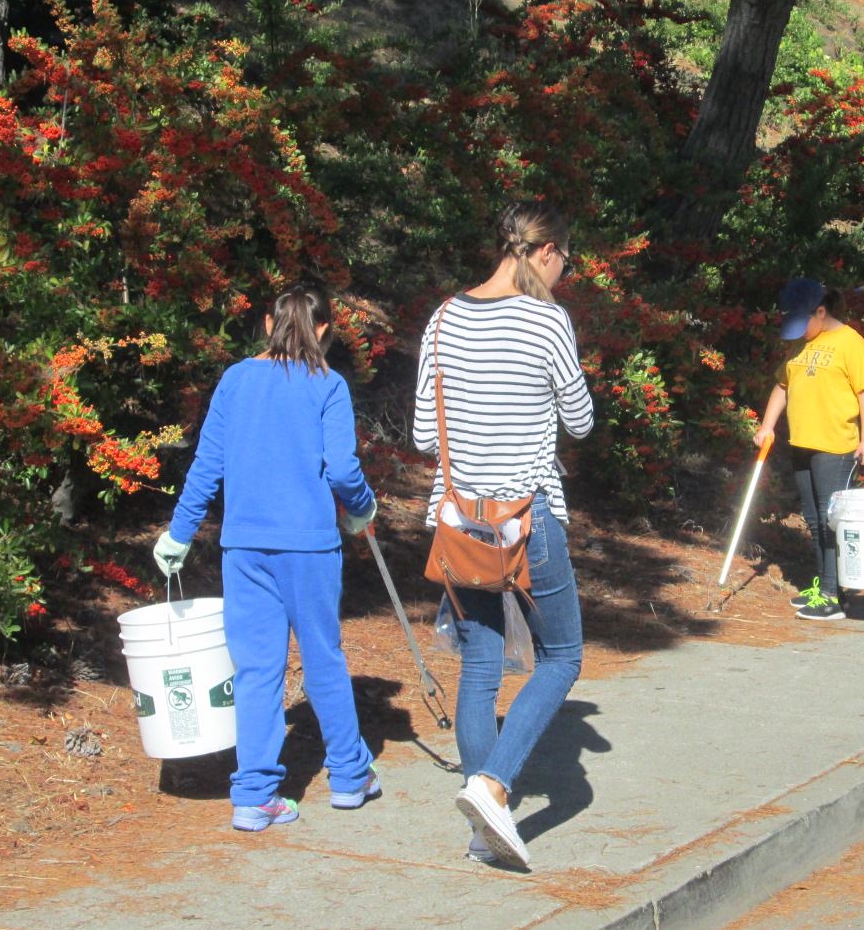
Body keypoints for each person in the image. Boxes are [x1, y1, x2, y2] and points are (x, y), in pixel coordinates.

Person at [152, 282, 381, 832]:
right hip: (309, 547)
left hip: (245, 548)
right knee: (323, 657)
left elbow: (208, 465)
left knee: (256, 670)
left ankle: (254, 796)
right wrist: (361, 509)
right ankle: (350, 776)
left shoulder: (235, 380)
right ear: (324, 329)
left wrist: (178, 535)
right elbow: (344, 469)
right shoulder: (328, 384)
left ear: (265, 324)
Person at [414, 202, 594, 870]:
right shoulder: (547, 321)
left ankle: (481, 827)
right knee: (563, 657)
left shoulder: (441, 320)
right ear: (544, 250)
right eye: (565, 260)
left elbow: (421, 436)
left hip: (459, 523)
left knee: (481, 669)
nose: (564, 272)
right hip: (527, 519)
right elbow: (580, 419)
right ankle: (492, 787)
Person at [753, 278, 864, 621]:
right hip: (802, 443)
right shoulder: (801, 345)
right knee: (813, 520)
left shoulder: (849, 342)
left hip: (835, 446)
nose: (798, 332)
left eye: (802, 323)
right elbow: (783, 385)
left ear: (821, 312)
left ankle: (832, 595)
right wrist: (767, 426)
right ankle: (826, 586)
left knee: (831, 520)